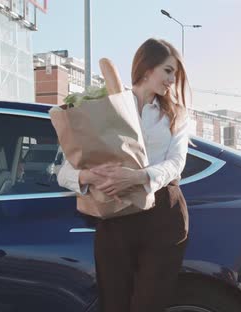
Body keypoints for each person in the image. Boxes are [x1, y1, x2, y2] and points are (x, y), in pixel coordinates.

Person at [57, 38, 190, 312]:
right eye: (167, 71)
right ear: (146, 68)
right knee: (114, 304)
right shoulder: (105, 106)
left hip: (163, 215)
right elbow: (64, 173)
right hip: (115, 217)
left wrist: (139, 177)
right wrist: (89, 177)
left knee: (148, 305)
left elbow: (176, 163)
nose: (171, 80)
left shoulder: (176, 115)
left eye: (174, 75)